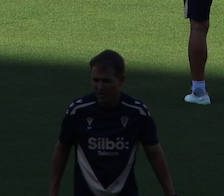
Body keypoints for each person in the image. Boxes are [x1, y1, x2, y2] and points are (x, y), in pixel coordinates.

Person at [49, 50, 177, 196]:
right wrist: (54, 190)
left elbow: (154, 153)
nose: (100, 87)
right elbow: (62, 149)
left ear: (121, 80)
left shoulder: (137, 113)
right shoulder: (78, 111)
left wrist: (170, 192)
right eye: (95, 80)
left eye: (106, 81)